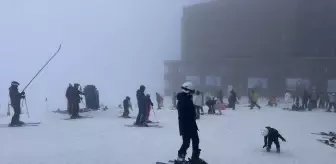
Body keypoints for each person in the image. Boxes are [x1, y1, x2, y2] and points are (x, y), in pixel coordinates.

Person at [176, 82, 206, 164]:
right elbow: (183, 115)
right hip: (186, 125)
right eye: (192, 92)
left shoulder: (186, 98)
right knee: (186, 142)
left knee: (196, 140)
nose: (192, 94)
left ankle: (195, 158)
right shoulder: (183, 100)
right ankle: (180, 157)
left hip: (191, 125)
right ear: (187, 91)